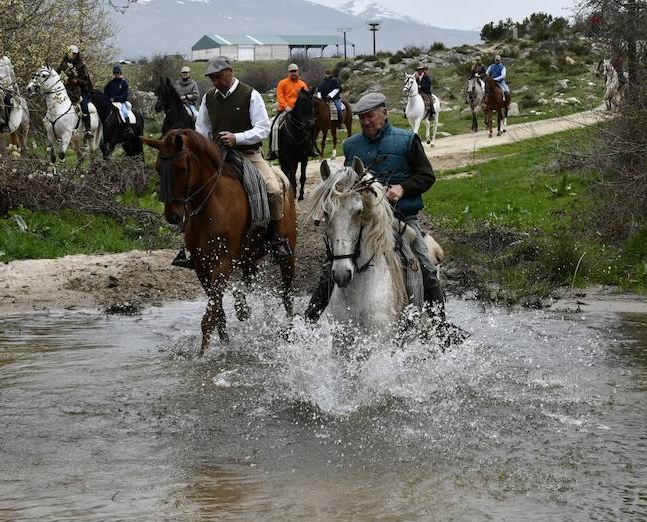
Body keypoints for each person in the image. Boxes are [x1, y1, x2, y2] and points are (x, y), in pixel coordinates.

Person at [304, 91, 446, 324]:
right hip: (363, 220)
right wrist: (326, 207)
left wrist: (403, 188)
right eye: (362, 118)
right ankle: (307, 323)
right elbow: (344, 187)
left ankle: (440, 326)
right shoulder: (351, 146)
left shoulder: (407, 140)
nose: (366, 122)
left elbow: (427, 176)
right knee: (331, 266)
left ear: (385, 113)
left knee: (424, 266)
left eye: (370, 116)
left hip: (401, 219)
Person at [175, 55, 290, 267]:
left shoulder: (250, 95)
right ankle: (191, 245)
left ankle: (278, 239)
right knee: (191, 188)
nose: (216, 82)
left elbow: (263, 128)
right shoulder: (209, 98)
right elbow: (201, 129)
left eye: (219, 76)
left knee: (273, 190)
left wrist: (237, 138)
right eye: (212, 78)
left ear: (230, 71)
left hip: (249, 154)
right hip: (217, 155)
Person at [267, 63, 318, 161]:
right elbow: (280, 96)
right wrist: (286, 106)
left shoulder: (302, 84)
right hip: (285, 110)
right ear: (288, 72)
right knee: (274, 126)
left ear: (298, 72)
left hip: (299, 113)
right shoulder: (282, 83)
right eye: (291, 71)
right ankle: (272, 150)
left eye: (295, 71)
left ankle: (311, 147)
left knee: (311, 125)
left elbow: (307, 98)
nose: (293, 73)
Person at [56, 44, 94, 139]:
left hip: (80, 90)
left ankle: (88, 129)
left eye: (74, 53)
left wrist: (77, 81)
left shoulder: (81, 66)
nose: (73, 55)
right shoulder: (63, 65)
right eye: (71, 53)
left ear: (77, 54)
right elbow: (56, 75)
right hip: (66, 90)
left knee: (84, 107)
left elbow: (86, 81)